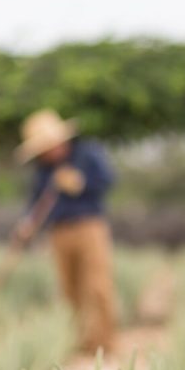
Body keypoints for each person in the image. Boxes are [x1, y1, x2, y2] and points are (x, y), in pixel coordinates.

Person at [16, 109, 118, 353]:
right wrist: (28, 222)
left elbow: (108, 181)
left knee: (97, 286)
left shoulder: (87, 154)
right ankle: (76, 343)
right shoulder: (44, 169)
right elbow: (36, 201)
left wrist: (80, 183)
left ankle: (103, 344)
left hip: (89, 226)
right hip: (58, 231)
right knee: (68, 289)